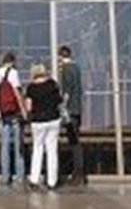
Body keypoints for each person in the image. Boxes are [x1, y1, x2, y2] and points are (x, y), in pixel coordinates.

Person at [24, 63, 63, 191]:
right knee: (52, 150)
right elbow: (59, 100)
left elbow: (28, 107)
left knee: (38, 149)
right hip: (53, 119)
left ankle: (34, 179)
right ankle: (52, 181)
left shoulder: (31, 87)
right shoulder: (52, 84)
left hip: (38, 121)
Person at [0, 52, 25, 186]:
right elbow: (16, 92)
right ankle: (19, 176)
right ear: (13, 61)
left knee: (4, 146)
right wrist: (22, 109)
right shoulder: (13, 73)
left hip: (3, 113)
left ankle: (5, 177)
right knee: (18, 146)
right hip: (14, 113)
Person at [58, 45, 86, 186]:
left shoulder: (66, 69)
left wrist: (62, 106)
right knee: (76, 140)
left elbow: (67, 90)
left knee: (74, 142)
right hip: (78, 109)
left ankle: (78, 174)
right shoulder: (77, 68)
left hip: (70, 111)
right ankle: (79, 172)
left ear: (61, 57)